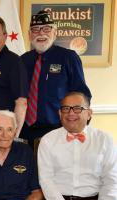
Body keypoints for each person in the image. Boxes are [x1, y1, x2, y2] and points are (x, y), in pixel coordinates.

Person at [38, 92, 117, 200]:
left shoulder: (105, 139)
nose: (71, 113)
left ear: (89, 113)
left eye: (77, 108)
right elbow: (46, 182)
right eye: (66, 109)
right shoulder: (48, 141)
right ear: (60, 113)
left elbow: (112, 180)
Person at [20, 10, 92, 146]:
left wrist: (79, 128)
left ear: (55, 32)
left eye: (46, 29)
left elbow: (81, 95)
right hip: (26, 132)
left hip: (58, 131)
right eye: (35, 30)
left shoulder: (68, 58)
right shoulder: (23, 61)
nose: (41, 33)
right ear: (29, 35)